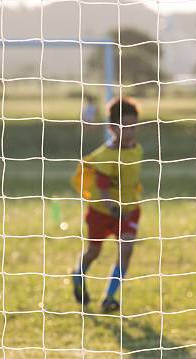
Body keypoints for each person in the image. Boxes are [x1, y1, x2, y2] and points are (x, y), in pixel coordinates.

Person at [70, 97, 143, 313]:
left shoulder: (137, 150)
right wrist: (112, 206)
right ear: (112, 128)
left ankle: (109, 297)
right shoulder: (104, 156)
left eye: (133, 125)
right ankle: (78, 274)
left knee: (126, 250)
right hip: (102, 212)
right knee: (94, 251)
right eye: (124, 126)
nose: (129, 130)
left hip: (129, 211)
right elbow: (102, 188)